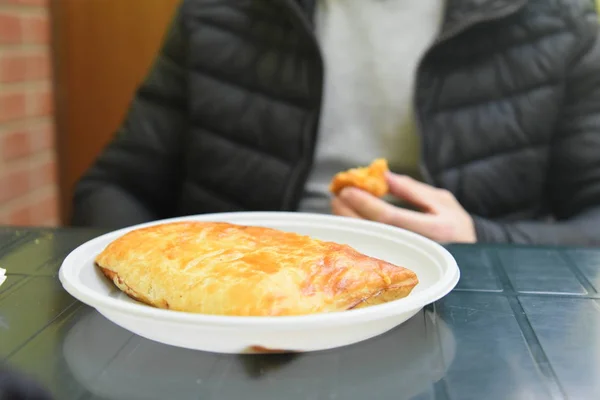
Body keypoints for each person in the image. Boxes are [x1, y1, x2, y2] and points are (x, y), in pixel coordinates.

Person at [72, 0, 600, 246]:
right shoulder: (216, 13)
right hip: (232, 314)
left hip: (465, 305)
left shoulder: (561, 25)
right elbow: (112, 186)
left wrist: (480, 238)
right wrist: (170, 264)